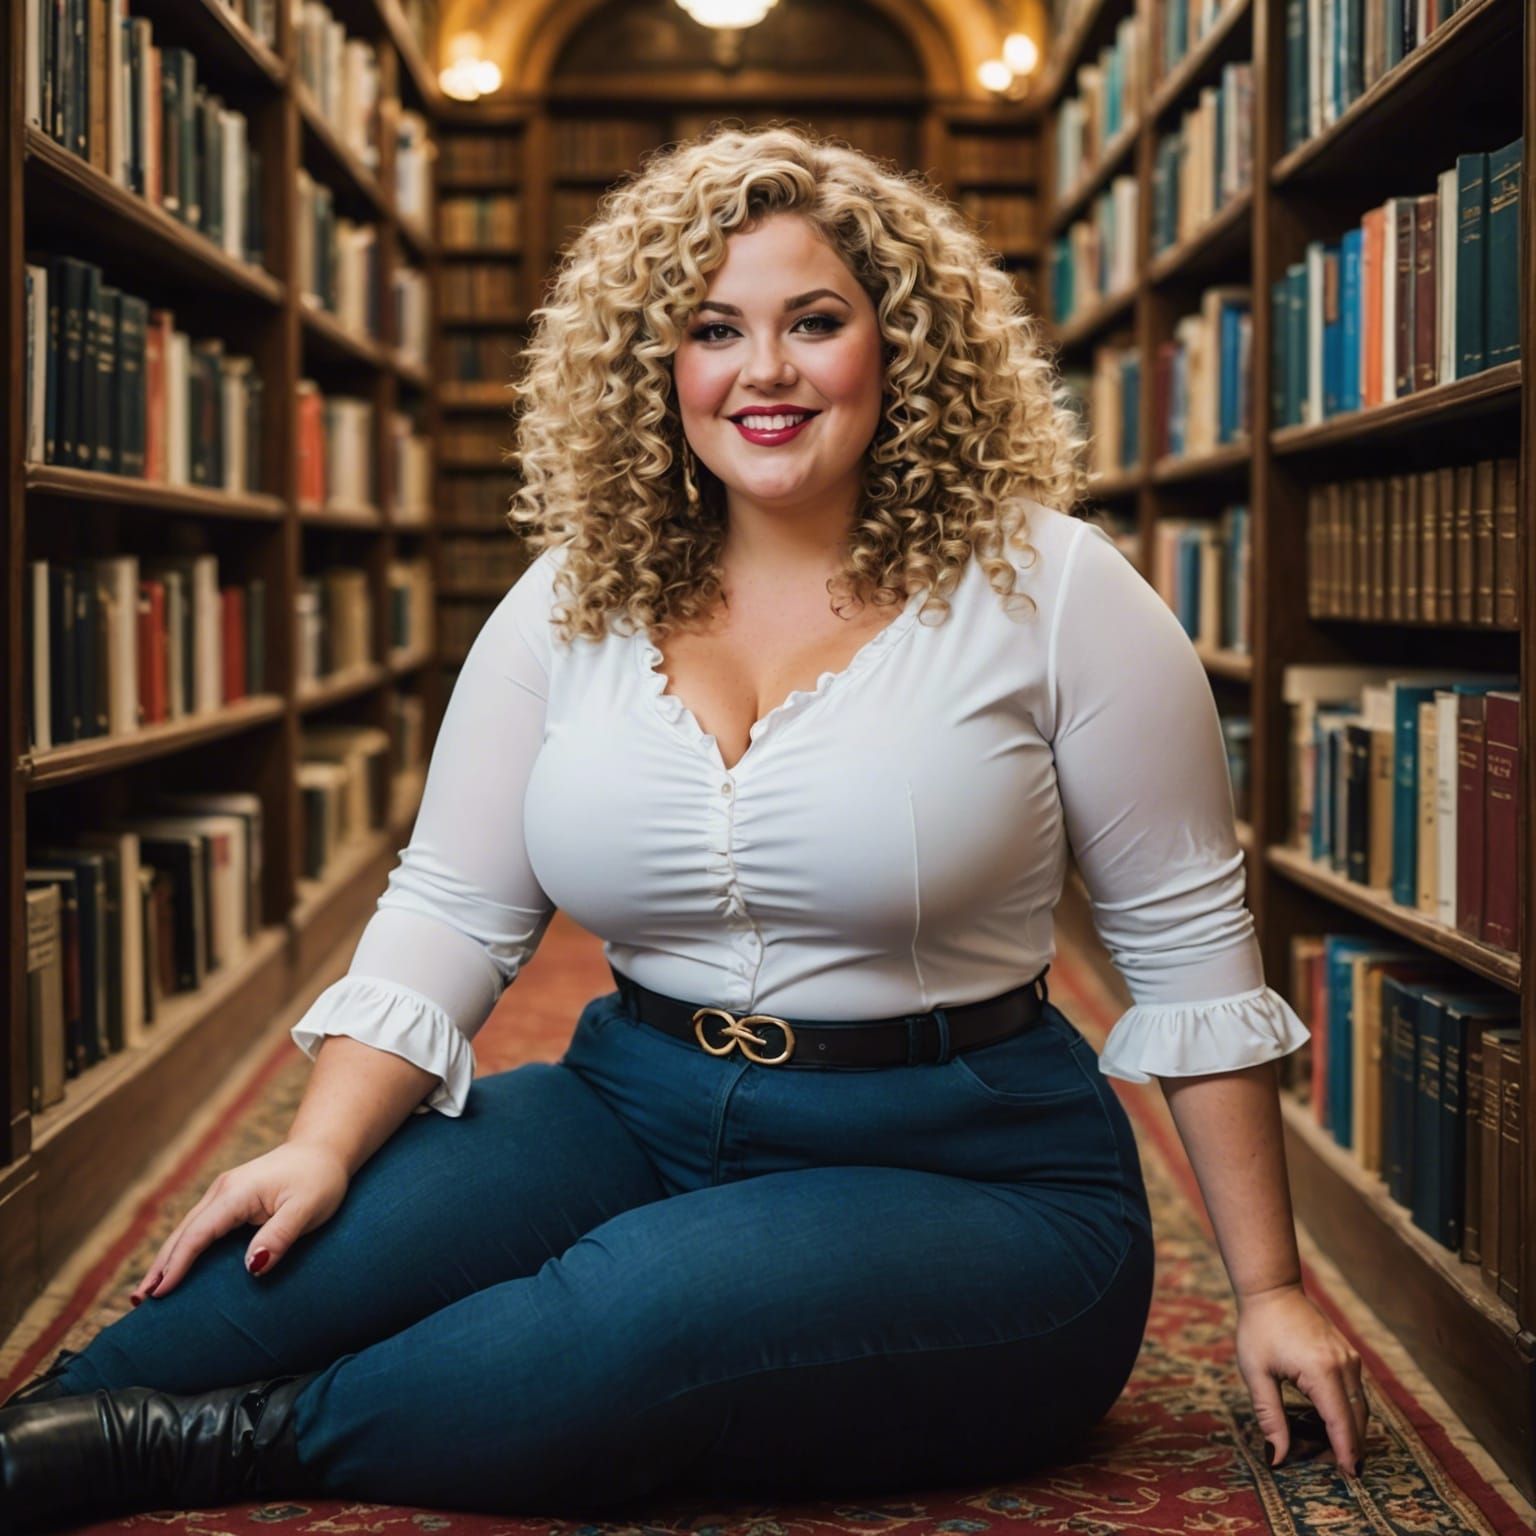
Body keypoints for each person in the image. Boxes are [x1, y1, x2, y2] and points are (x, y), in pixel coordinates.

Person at [0, 125, 1368, 1528]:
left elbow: (1190, 942)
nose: (762, 370)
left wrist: (1267, 1291)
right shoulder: (568, 599)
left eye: (814, 322)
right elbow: (455, 902)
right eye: (714, 328)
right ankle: (73, 1421)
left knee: (616, 1324)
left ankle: (207, 1450)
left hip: (969, 1167)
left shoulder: (1058, 590)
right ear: (658, 368)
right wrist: (327, 1147)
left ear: (901, 348)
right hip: (630, 1105)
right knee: (255, 1281)